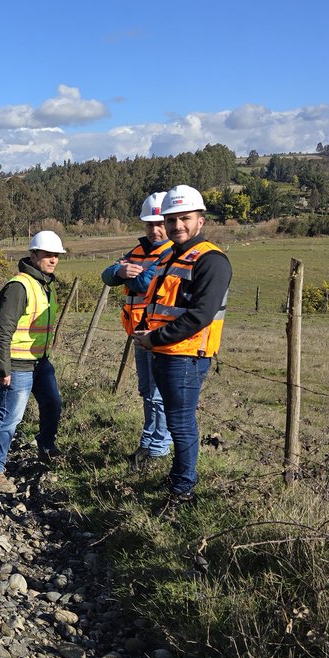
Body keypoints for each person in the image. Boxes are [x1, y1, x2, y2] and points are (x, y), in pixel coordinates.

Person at [131, 185, 232, 511]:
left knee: (181, 422)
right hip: (163, 352)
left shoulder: (211, 260)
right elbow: (156, 300)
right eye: (172, 219)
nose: (177, 226)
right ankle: (179, 476)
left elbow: (200, 316)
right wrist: (147, 330)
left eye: (185, 219)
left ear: (200, 220)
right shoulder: (170, 256)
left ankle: (183, 491)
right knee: (175, 420)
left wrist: (154, 339)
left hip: (186, 356)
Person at [0, 230, 65, 494]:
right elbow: (2, 331)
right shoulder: (20, 286)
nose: (53, 260)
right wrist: (3, 369)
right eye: (48, 254)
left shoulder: (45, 285)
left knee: (53, 405)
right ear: (33, 254)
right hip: (18, 364)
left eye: (56, 255)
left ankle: (46, 447)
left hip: (40, 363)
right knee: (10, 418)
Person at [102, 192, 174, 471]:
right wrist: (120, 271)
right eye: (149, 224)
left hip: (158, 334)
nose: (155, 230)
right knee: (146, 391)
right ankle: (149, 440)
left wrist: (124, 272)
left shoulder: (170, 253)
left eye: (159, 223)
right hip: (137, 333)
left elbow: (144, 283)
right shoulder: (137, 251)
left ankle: (158, 447)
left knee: (157, 394)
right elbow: (107, 275)